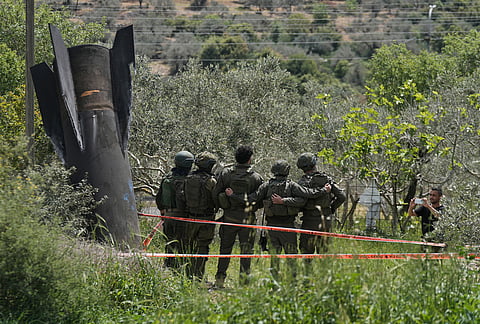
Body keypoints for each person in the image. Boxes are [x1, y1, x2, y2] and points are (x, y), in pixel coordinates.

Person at [230, 159, 331, 280]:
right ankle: (292, 284)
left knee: (275, 259)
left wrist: (233, 195)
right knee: (291, 258)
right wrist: (324, 190)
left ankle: (275, 284)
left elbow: (252, 198)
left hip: (272, 228)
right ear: (287, 171)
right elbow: (308, 195)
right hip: (288, 228)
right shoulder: (292, 185)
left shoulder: (266, 185)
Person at [212, 145, 263, 288]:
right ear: (249, 159)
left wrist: (223, 207)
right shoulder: (256, 177)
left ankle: (219, 280)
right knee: (246, 252)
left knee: (224, 250)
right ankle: (244, 284)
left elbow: (216, 193)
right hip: (248, 219)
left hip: (229, 218)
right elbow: (259, 199)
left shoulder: (226, 174)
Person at [296, 153, 346, 257]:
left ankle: (307, 273)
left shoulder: (302, 182)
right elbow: (341, 196)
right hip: (325, 220)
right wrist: (331, 208)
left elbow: (300, 201)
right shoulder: (327, 179)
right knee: (324, 254)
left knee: (306, 254)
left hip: (308, 220)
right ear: (314, 164)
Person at [155, 150, 194, 269]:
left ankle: (168, 267)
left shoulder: (167, 178)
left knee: (169, 243)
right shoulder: (189, 180)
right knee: (183, 245)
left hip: (168, 216)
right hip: (183, 217)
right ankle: (182, 270)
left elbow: (159, 198)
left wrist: (163, 212)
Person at [183, 151, 218, 280]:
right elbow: (216, 200)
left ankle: (188, 276)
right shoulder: (210, 181)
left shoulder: (188, 178)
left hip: (190, 218)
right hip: (206, 219)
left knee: (189, 246)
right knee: (202, 247)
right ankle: (198, 277)